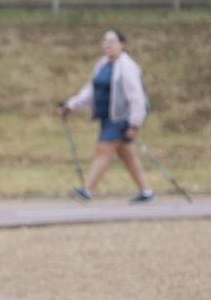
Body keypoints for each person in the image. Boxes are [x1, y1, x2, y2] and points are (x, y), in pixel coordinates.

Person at [59, 28, 154, 203]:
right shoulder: (102, 64)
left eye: (112, 42)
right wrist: (70, 105)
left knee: (103, 150)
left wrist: (134, 124)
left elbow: (136, 97)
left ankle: (87, 191)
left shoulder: (127, 67)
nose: (108, 45)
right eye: (105, 41)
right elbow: (91, 91)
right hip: (106, 117)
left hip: (120, 119)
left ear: (122, 45)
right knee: (127, 154)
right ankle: (146, 191)